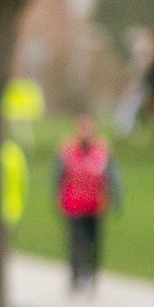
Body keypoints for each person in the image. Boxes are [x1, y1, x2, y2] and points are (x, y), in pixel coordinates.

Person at [55, 115, 121, 295]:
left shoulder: (102, 149)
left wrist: (115, 197)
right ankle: (75, 277)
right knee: (76, 242)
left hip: (95, 204)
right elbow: (59, 175)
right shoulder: (67, 149)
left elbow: (112, 175)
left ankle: (92, 275)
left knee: (93, 242)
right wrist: (57, 196)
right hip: (74, 203)